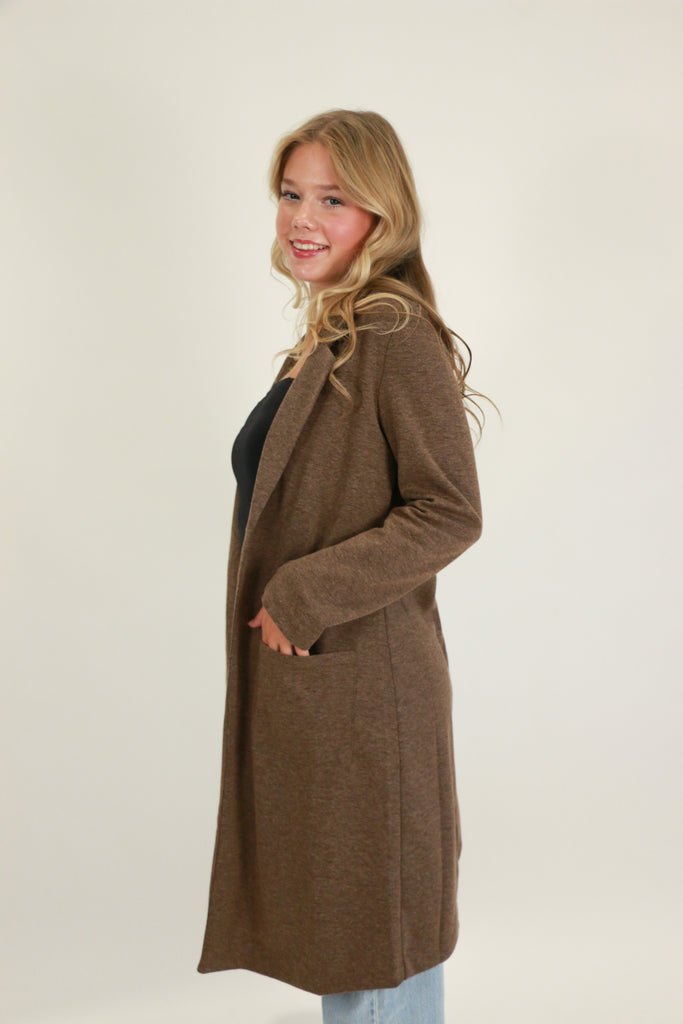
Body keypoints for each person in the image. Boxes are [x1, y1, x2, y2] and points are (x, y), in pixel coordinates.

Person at [196, 109, 494, 1024]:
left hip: (366, 692)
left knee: (373, 947)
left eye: (332, 199)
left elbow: (449, 509)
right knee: (352, 940)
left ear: (382, 214)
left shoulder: (391, 327)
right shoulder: (331, 332)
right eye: (291, 193)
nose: (301, 217)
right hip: (326, 695)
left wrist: (303, 592)